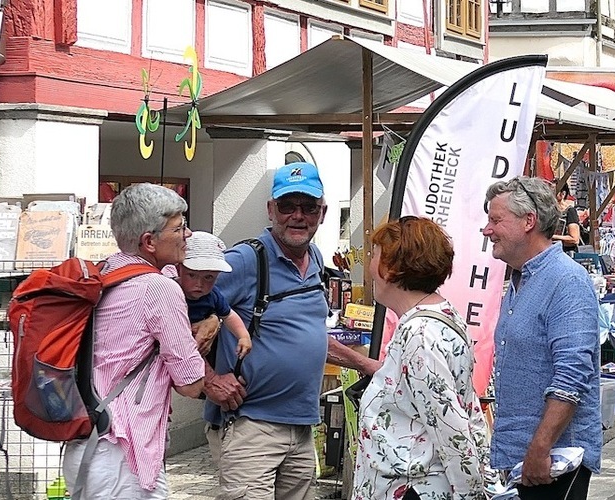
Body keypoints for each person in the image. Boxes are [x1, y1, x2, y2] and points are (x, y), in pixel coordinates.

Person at [204, 162, 381, 499]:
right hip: (250, 426)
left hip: (301, 427)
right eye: (287, 206)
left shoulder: (314, 259)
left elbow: (308, 335)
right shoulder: (245, 260)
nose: (297, 216)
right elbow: (174, 318)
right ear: (271, 209)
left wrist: (366, 365)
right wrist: (209, 380)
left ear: (322, 213)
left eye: (308, 207)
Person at [62, 183, 206, 498]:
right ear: (149, 241)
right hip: (122, 453)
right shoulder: (158, 288)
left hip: (87, 445)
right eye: (179, 228)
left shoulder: (105, 273)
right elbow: (191, 384)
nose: (188, 234)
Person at [353, 217, 489, 500]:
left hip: (414, 490)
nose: (370, 267)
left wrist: (472, 495)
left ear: (391, 268)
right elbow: (468, 409)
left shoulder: (420, 335)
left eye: (374, 255)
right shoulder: (439, 316)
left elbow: (453, 431)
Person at [482, 176, 600, 499]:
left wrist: (540, 446)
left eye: (496, 220)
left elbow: (572, 376)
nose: (487, 230)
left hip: (552, 462)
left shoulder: (566, 281)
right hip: (522, 457)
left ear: (528, 221)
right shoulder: (521, 279)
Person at [178, 231, 252, 360]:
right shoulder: (171, 290)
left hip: (196, 352)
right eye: (192, 275)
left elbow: (229, 315)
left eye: (208, 277)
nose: (199, 284)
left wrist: (243, 336)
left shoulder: (213, 295)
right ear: (179, 269)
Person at [552, 184, 581, 253]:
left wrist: (552, 237)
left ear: (563, 194)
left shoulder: (570, 211)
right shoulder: (549, 210)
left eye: (554, 191)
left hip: (566, 253)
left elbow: (574, 239)